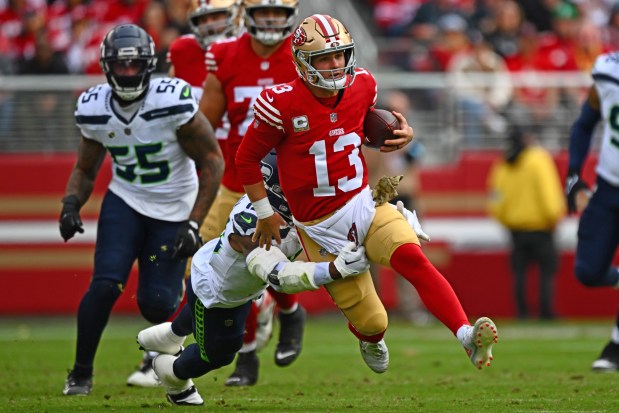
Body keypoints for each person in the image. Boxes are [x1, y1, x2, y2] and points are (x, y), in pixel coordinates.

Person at [236, 13, 499, 374]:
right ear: (302, 62)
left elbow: (358, 127)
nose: (335, 64)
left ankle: (466, 335)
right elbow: (245, 158)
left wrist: (401, 136)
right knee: (375, 322)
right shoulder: (281, 103)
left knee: (413, 258)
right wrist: (265, 211)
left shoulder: (362, 85)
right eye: (324, 58)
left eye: (340, 55)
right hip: (319, 228)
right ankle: (370, 337)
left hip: (364, 204)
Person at [60, 24, 224, 396]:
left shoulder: (171, 101)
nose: (129, 72)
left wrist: (194, 223)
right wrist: (71, 203)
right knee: (104, 285)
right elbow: (85, 169)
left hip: (174, 206)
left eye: (136, 65)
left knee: (157, 304)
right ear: (108, 67)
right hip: (127, 201)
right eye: (122, 65)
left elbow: (213, 162)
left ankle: (164, 361)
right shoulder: (94, 106)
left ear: (149, 66)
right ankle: (80, 372)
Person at [135, 154, 373, 406]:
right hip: (219, 293)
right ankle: (172, 374)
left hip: (232, 280)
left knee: (201, 323)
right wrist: (333, 270)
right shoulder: (253, 226)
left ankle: (167, 337)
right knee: (218, 354)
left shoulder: (275, 207)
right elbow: (279, 276)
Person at [124, 0, 243, 388]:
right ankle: (161, 355)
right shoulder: (183, 51)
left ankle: (274, 327)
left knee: (246, 268)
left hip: (238, 174)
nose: (210, 25)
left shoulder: (248, 51)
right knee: (188, 267)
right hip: (193, 174)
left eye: (217, 16)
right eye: (203, 18)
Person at [198, 0, 306, 386]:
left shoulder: (303, 50)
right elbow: (204, 123)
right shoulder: (224, 54)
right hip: (234, 178)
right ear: (248, 14)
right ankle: (246, 349)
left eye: (280, 12)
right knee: (220, 267)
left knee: (265, 261)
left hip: (286, 181)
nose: (274, 20)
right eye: (265, 12)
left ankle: (288, 314)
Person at [565, 50, 619, 372]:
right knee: (588, 270)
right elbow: (585, 124)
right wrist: (574, 173)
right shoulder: (608, 71)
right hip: (609, 185)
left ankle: (614, 346)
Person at [487, 126, 565, 320]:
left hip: (515, 228)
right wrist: (554, 216)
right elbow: (548, 193)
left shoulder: (503, 164)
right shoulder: (538, 159)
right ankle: (545, 312)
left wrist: (506, 219)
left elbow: (495, 200)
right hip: (541, 227)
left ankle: (522, 313)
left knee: (519, 273)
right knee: (546, 272)